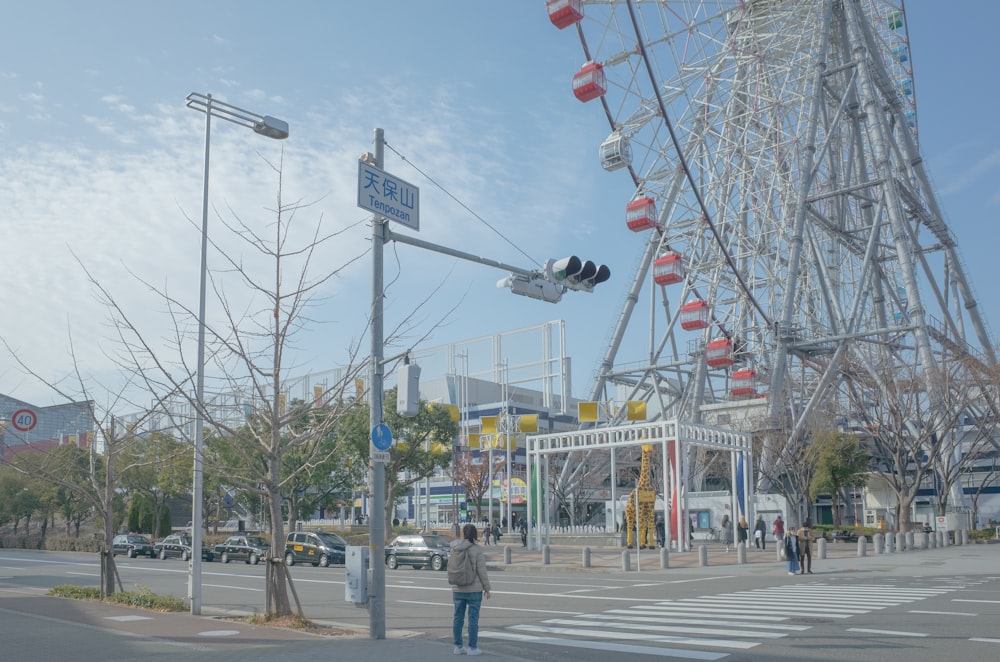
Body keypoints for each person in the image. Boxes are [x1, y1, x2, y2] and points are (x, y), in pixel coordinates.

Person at [451, 523, 491, 656]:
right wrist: (487, 588)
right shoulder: (477, 549)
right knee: (473, 619)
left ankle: (458, 646)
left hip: (458, 588)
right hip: (474, 589)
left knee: (458, 618)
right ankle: (472, 648)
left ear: (463, 533)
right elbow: (482, 571)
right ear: (474, 534)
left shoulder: (455, 547)